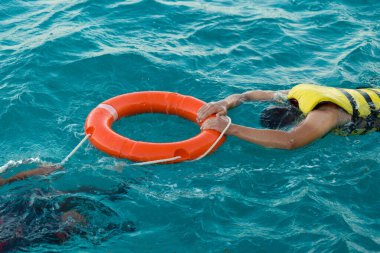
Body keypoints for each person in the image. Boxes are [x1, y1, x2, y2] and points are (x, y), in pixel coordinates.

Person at [197, 83, 380, 149]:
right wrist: (225, 102)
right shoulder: (294, 96)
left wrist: (230, 128)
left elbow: (290, 141)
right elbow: (247, 96)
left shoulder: (325, 114)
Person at [0, 164, 135, 252]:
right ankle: (124, 191)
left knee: (71, 194)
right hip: (28, 233)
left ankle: (119, 188)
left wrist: (35, 172)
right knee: (74, 214)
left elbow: (3, 182)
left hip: (15, 210)